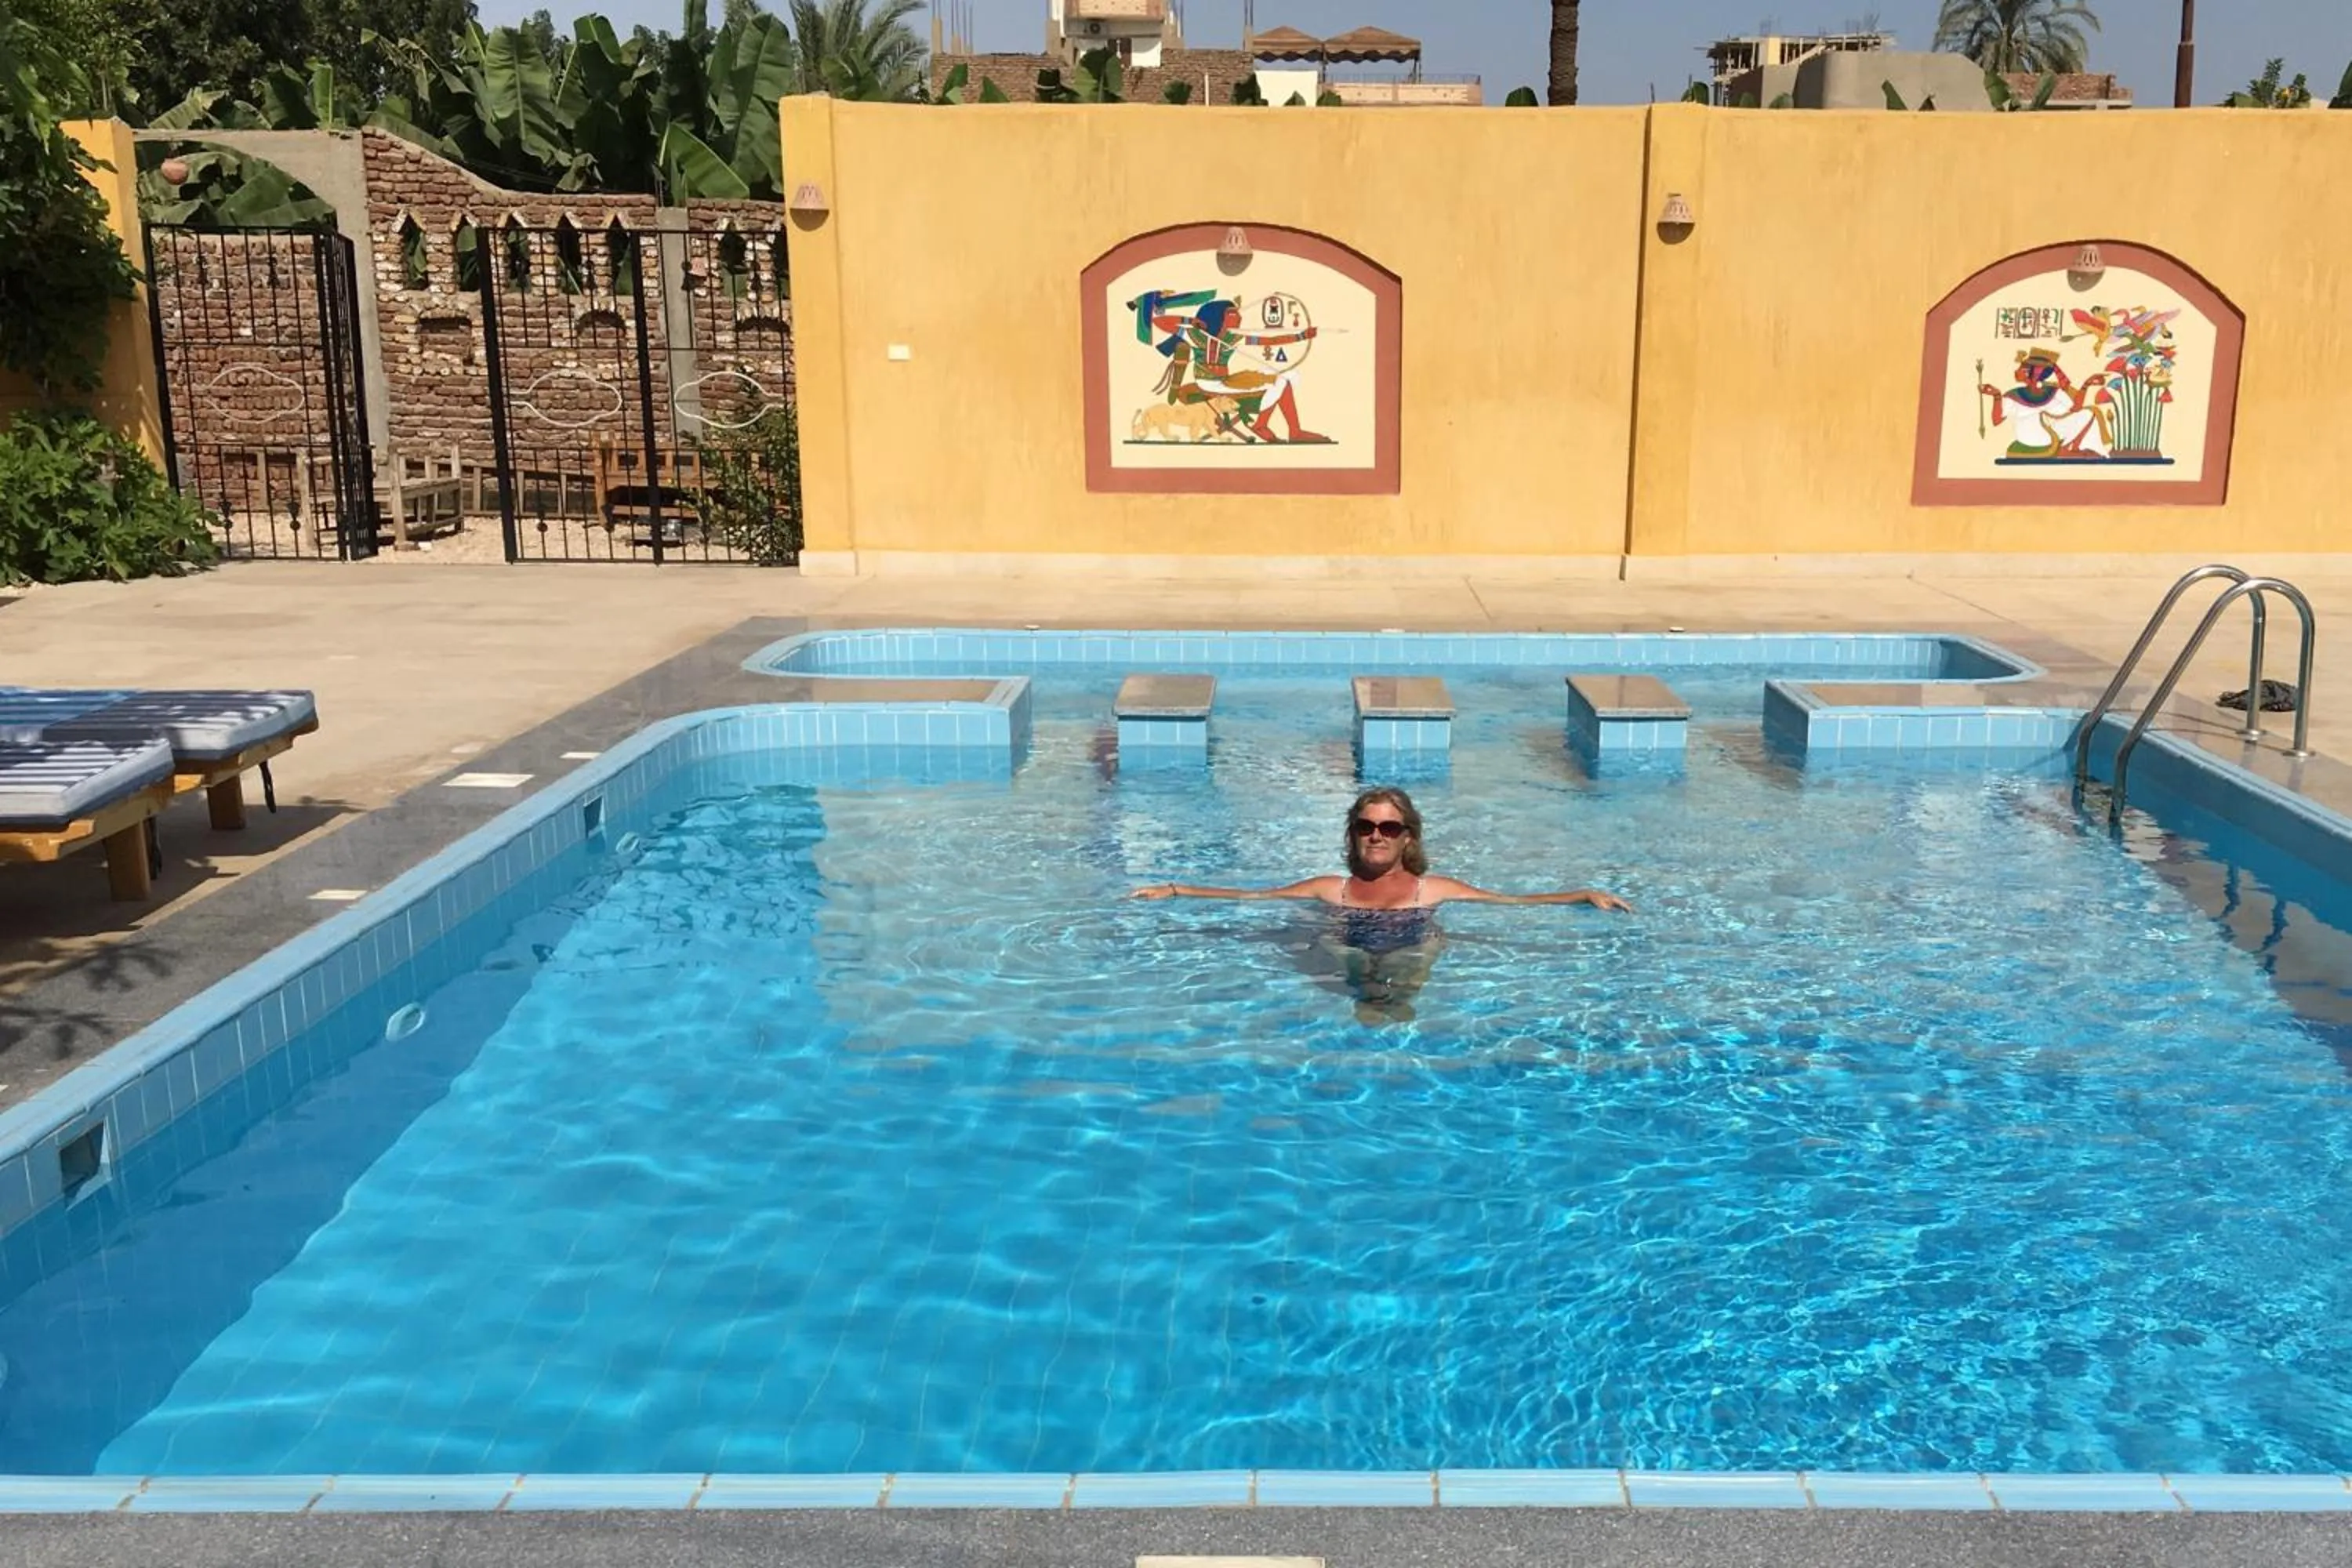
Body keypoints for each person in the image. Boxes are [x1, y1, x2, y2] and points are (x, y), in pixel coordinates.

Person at [1130, 787, 1632, 1024]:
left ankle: (1396, 996)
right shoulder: (1332, 889)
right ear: (1353, 834)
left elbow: (1512, 903)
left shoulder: (1431, 889)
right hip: (1350, 937)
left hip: (1412, 937)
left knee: (1421, 947)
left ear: (1407, 837)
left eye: (1389, 827)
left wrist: (1581, 895)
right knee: (1338, 945)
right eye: (1366, 827)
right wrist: (1176, 890)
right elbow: (1253, 898)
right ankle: (1367, 995)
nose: (1376, 835)